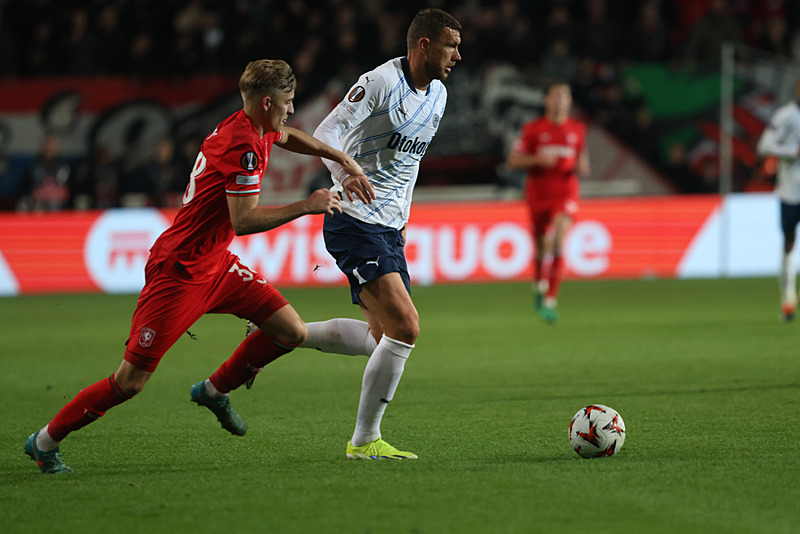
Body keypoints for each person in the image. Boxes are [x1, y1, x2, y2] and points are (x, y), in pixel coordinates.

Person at [24, 59, 365, 474]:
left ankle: (213, 389)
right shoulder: (242, 148)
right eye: (288, 102)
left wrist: (339, 156)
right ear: (266, 101)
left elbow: (287, 135)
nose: (291, 110)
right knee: (129, 382)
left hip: (216, 265)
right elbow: (243, 221)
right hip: (179, 272)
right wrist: (306, 206)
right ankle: (45, 440)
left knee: (290, 330)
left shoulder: (252, 124)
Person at [251, 8, 461, 461]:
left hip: (390, 228)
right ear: (424, 44)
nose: (457, 55)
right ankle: (365, 440)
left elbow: (405, 163)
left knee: (378, 337)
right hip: (354, 219)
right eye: (451, 46)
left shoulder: (439, 95)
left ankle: (280, 332)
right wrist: (343, 172)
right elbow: (328, 132)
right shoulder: (381, 82)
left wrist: (401, 215)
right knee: (406, 328)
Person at [506, 80, 589, 323]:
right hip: (538, 193)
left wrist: (575, 165)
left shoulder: (577, 129)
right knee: (543, 245)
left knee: (557, 239)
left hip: (566, 192)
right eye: (555, 96)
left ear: (570, 101)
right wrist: (539, 160)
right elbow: (513, 161)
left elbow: (583, 164)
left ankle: (551, 299)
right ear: (546, 101)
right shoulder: (533, 129)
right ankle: (540, 286)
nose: (559, 100)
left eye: (564, 96)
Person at [756, 78, 800, 321]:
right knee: (789, 242)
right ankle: (787, 297)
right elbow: (764, 146)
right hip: (791, 193)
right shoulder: (786, 116)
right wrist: (792, 152)